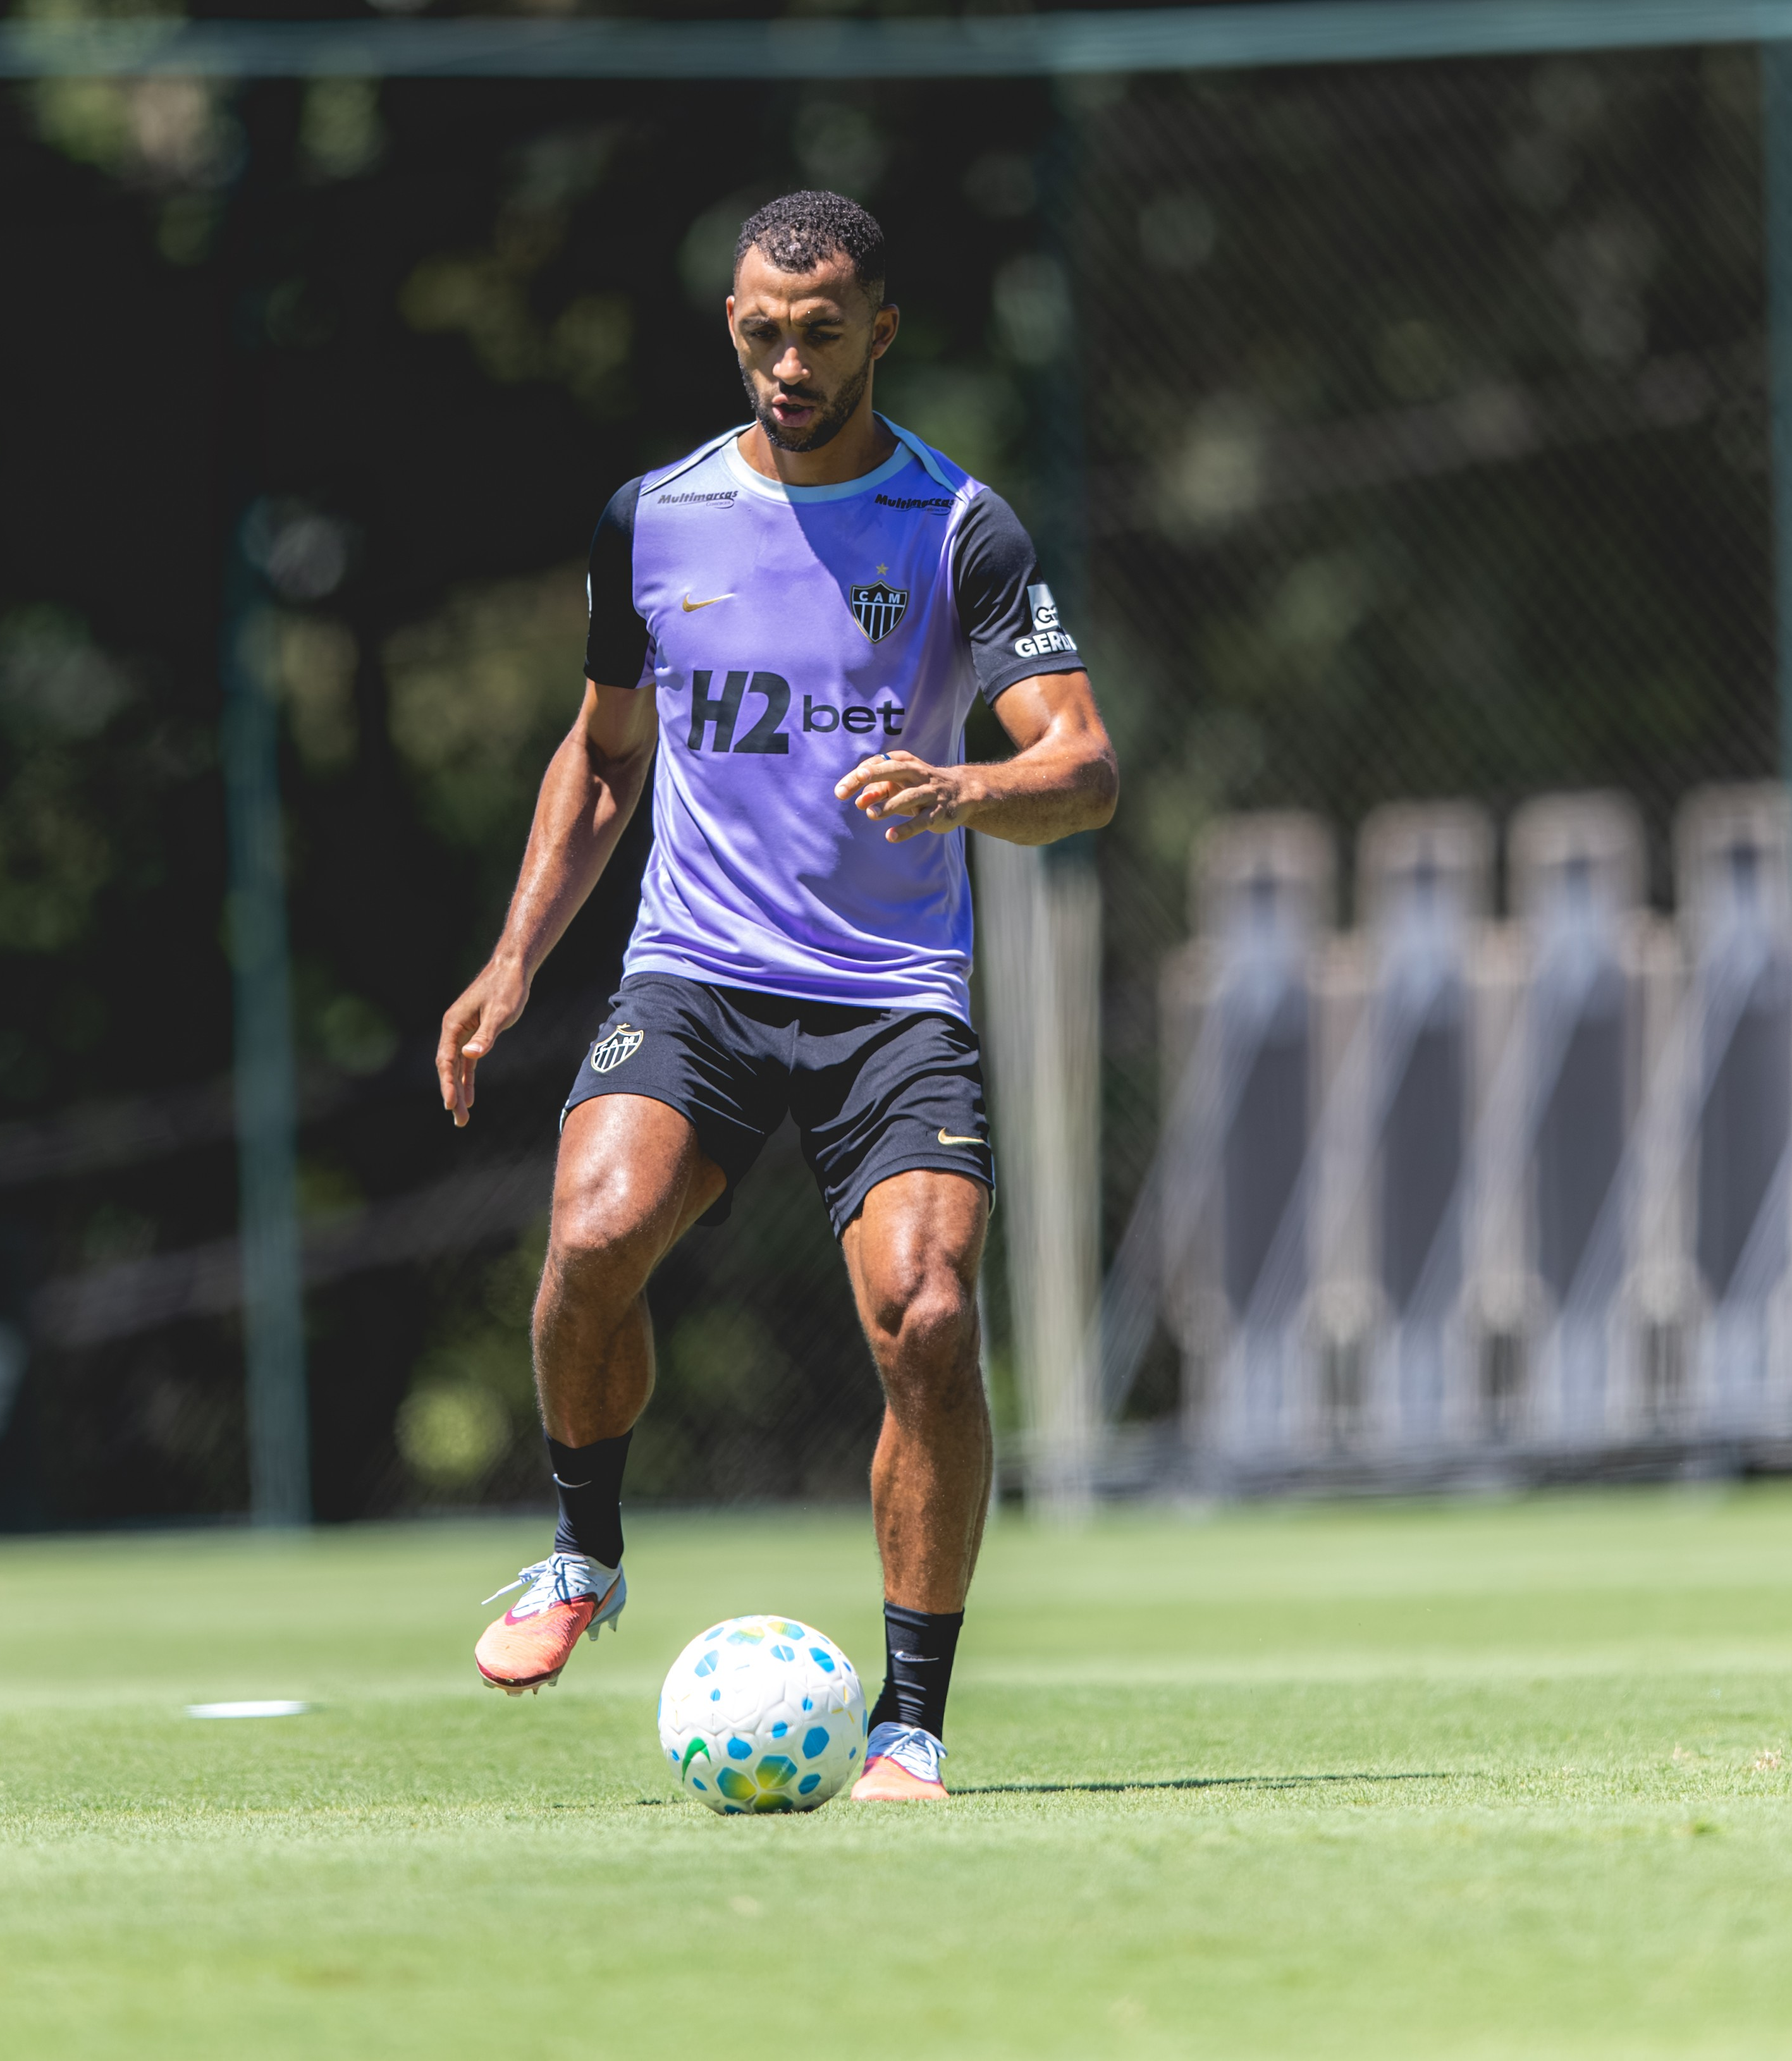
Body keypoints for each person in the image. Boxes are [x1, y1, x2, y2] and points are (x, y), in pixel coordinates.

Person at [433, 190, 1116, 1802]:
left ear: (881, 328)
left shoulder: (959, 528)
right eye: (760, 331)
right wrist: (516, 956)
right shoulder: (652, 519)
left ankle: (913, 1720)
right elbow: (605, 759)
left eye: (820, 332)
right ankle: (583, 1550)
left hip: (891, 998)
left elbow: (1080, 771)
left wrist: (961, 792)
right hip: (699, 973)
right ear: (730, 324)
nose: (788, 362)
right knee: (593, 1233)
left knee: (930, 1319)